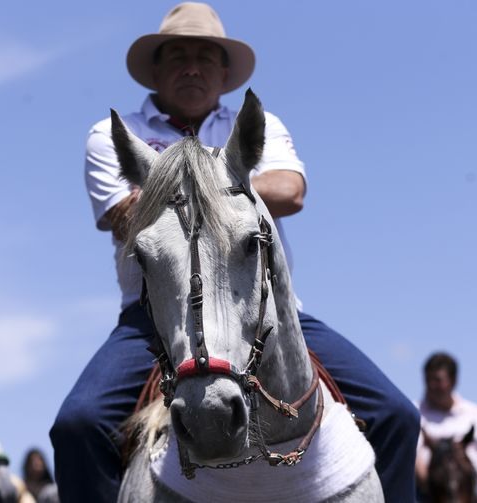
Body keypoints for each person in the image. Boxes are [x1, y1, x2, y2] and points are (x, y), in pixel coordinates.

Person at [50, 3, 419, 502]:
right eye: (177, 55)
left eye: (206, 56)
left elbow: (291, 190)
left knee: (396, 415)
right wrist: (230, 184)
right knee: (79, 425)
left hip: (267, 309)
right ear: (155, 70)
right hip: (153, 318)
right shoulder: (114, 134)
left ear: (225, 73)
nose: (192, 66)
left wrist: (188, 188)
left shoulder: (255, 123)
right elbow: (122, 213)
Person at [415, 351, 477, 500]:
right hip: (426, 494)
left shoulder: (475, 414)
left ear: (453, 381)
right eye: (428, 379)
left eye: (438, 380)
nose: (432, 385)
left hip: (475, 492)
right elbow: (413, 456)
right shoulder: (414, 413)